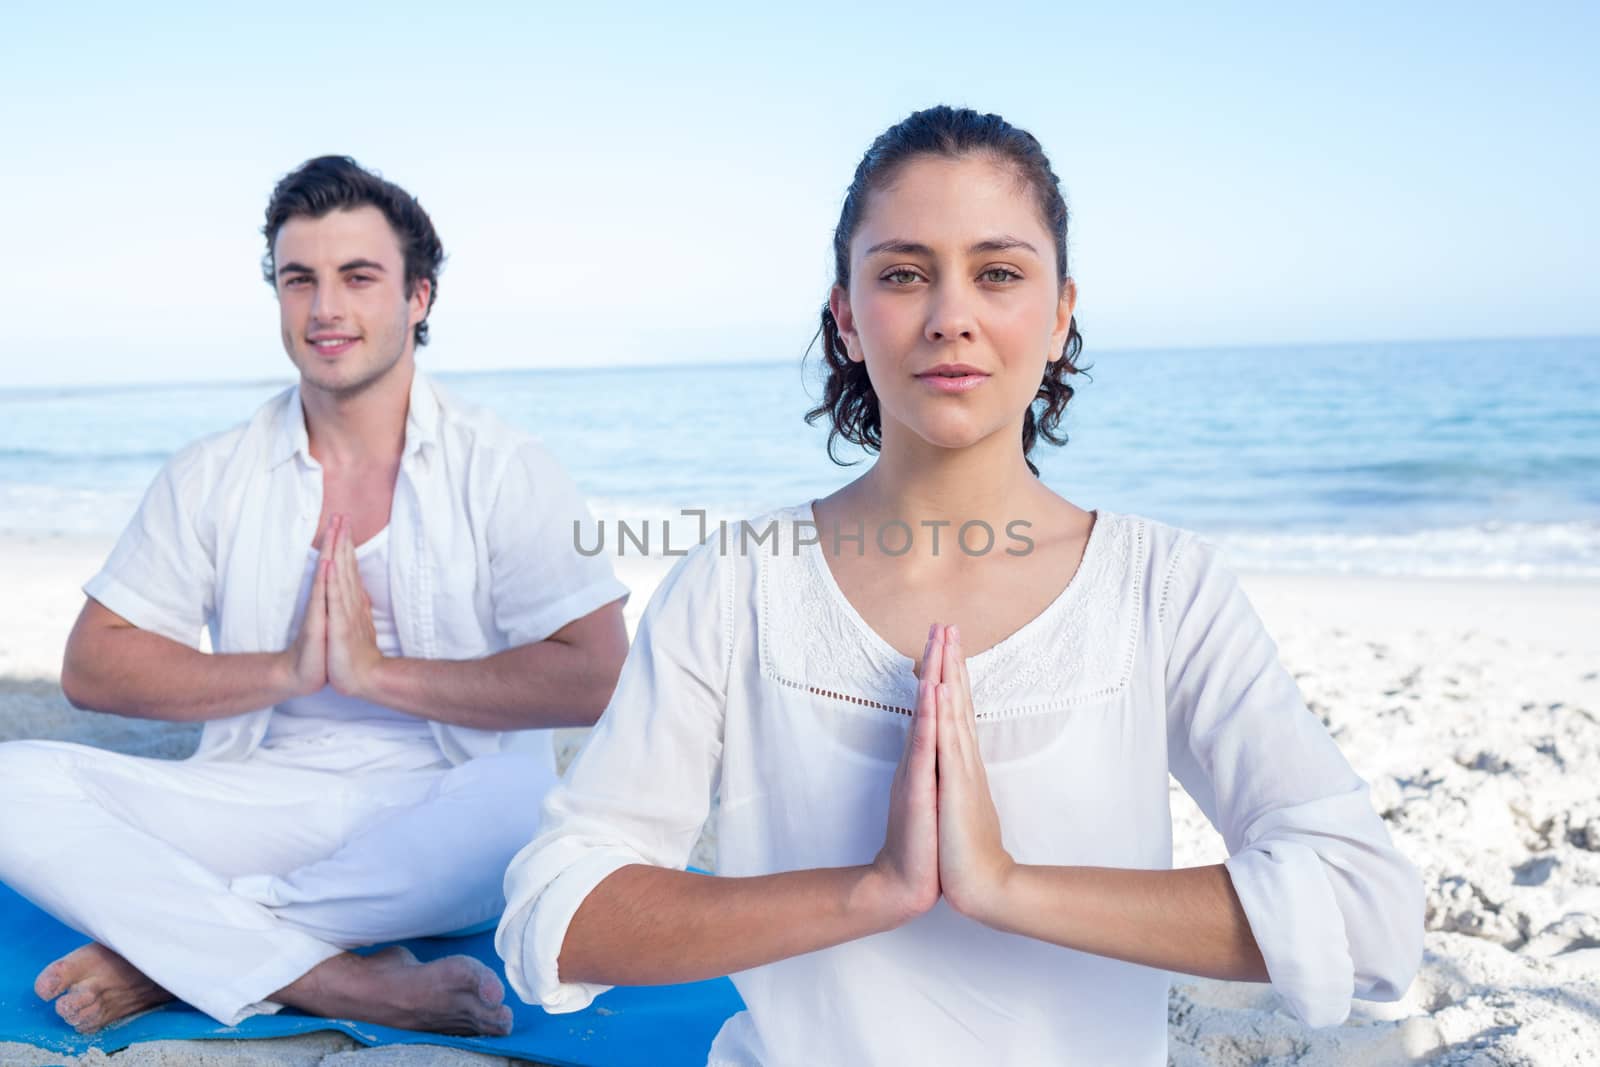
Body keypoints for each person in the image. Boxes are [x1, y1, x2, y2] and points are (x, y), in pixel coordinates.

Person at [493, 106, 1423, 1064]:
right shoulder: (738, 584)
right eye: (902, 273)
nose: (951, 314)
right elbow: (558, 911)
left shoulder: (1164, 587)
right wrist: (873, 889)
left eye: (999, 272)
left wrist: (1006, 885)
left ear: (1060, 313)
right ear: (846, 317)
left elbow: (1371, 914)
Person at [0, 156, 629, 1036]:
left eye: (358, 277)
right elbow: (94, 666)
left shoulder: (504, 469)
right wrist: (294, 668)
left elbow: (596, 676)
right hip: (260, 797)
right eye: (300, 280)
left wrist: (378, 676)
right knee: (10, 779)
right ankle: (338, 979)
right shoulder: (214, 471)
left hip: (445, 798)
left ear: (419, 297)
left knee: (527, 812)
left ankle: (169, 950)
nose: (325, 308)